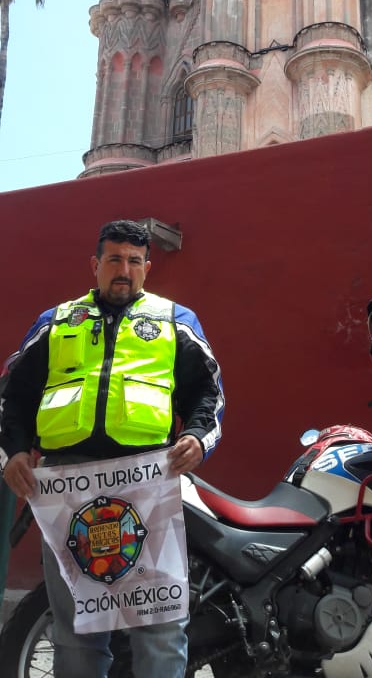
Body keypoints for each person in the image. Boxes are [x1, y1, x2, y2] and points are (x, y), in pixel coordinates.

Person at [0, 218, 224, 678]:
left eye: (135, 261)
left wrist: (197, 437)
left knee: (159, 627)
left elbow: (208, 392)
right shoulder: (57, 322)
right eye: (115, 260)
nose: (124, 269)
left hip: (149, 487)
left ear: (147, 267)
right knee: (77, 630)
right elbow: (14, 396)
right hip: (66, 488)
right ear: (95, 265)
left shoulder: (175, 322)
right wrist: (15, 452)